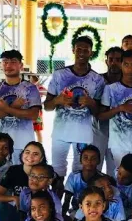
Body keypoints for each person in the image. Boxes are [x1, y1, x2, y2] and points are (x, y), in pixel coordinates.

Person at [45, 35, 106, 177]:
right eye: (79, 49)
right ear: (73, 50)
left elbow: (99, 113)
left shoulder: (97, 80)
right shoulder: (59, 75)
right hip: (60, 133)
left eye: (86, 50)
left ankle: (77, 199)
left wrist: (91, 103)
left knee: (81, 173)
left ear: (91, 53)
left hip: (83, 134)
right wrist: (57, 101)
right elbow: (47, 106)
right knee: (57, 172)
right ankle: (58, 198)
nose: (82, 53)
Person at [0, 50, 41, 163]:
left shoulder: (30, 88)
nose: (8, 65)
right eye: (5, 62)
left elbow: (33, 114)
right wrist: (14, 107)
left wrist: (5, 108)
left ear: (21, 65)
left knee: (20, 178)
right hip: (1, 146)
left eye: (13, 62)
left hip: (24, 144)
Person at [98, 49, 132, 171]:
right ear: (121, 66)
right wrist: (120, 108)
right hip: (118, 144)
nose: (130, 68)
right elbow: (101, 116)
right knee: (119, 178)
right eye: (126, 64)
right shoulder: (111, 89)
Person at [0, 141, 47, 221]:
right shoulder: (14, 171)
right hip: (17, 210)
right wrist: (14, 198)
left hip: (36, 211)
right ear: (22, 154)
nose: (30, 156)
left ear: (41, 158)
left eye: (35, 154)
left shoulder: (45, 172)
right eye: (27, 152)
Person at [95, 46, 123, 172]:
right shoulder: (97, 80)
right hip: (98, 130)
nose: (114, 63)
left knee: (115, 171)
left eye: (118, 59)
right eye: (111, 59)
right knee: (95, 166)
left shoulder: (127, 83)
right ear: (106, 61)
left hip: (119, 132)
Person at [62, 144, 104, 217]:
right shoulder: (73, 176)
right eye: (85, 158)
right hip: (76, 211)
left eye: (93, 158)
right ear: (80, 160)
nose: (89, 161)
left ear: (99, 161)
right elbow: (66, 200)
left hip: (95, 212)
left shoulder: (102, 179)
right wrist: (63, 216)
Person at [29, 75, 47, 143]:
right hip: (30, 111)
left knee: (37, 130)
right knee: (30, 129)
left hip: (37, 111)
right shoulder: (30, 88)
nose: (30, 80)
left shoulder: (40, 87)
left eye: (31, 79)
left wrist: (42, 103)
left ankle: (39, 144)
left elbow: (48, 94)